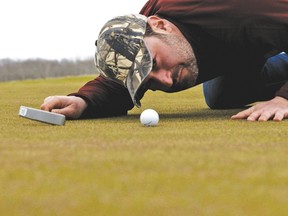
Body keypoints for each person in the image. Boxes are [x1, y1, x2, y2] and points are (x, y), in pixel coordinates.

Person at [41, 0, 288, 121]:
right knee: (221, 96)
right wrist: (83, 101)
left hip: (267, 20)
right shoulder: (147, 29)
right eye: (149, 82)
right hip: (244, 39)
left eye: (156, 63)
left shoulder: (240, 11)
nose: (166, 81)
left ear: (161, 26)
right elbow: (123, 78)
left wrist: (283, 98)